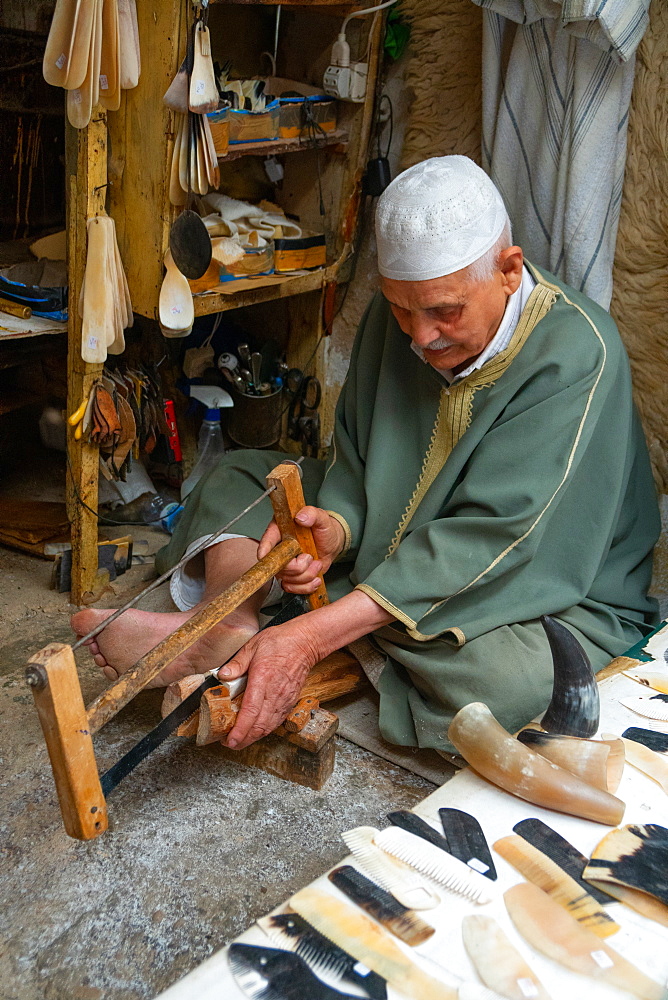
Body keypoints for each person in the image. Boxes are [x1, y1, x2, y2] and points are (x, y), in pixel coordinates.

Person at [72, 156, 660, 755]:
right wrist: (338, 528)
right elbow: (355, 450)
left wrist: (308, 637)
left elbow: (501, 538)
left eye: (444, 312)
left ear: (509, 272)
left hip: (532, 574)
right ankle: (231, 619)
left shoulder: (578, 355)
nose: (420, 337)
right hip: (399, 540)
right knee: (240, 476)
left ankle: (317, 633)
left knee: (504, 682)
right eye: (403, 310)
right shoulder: (398, 316)